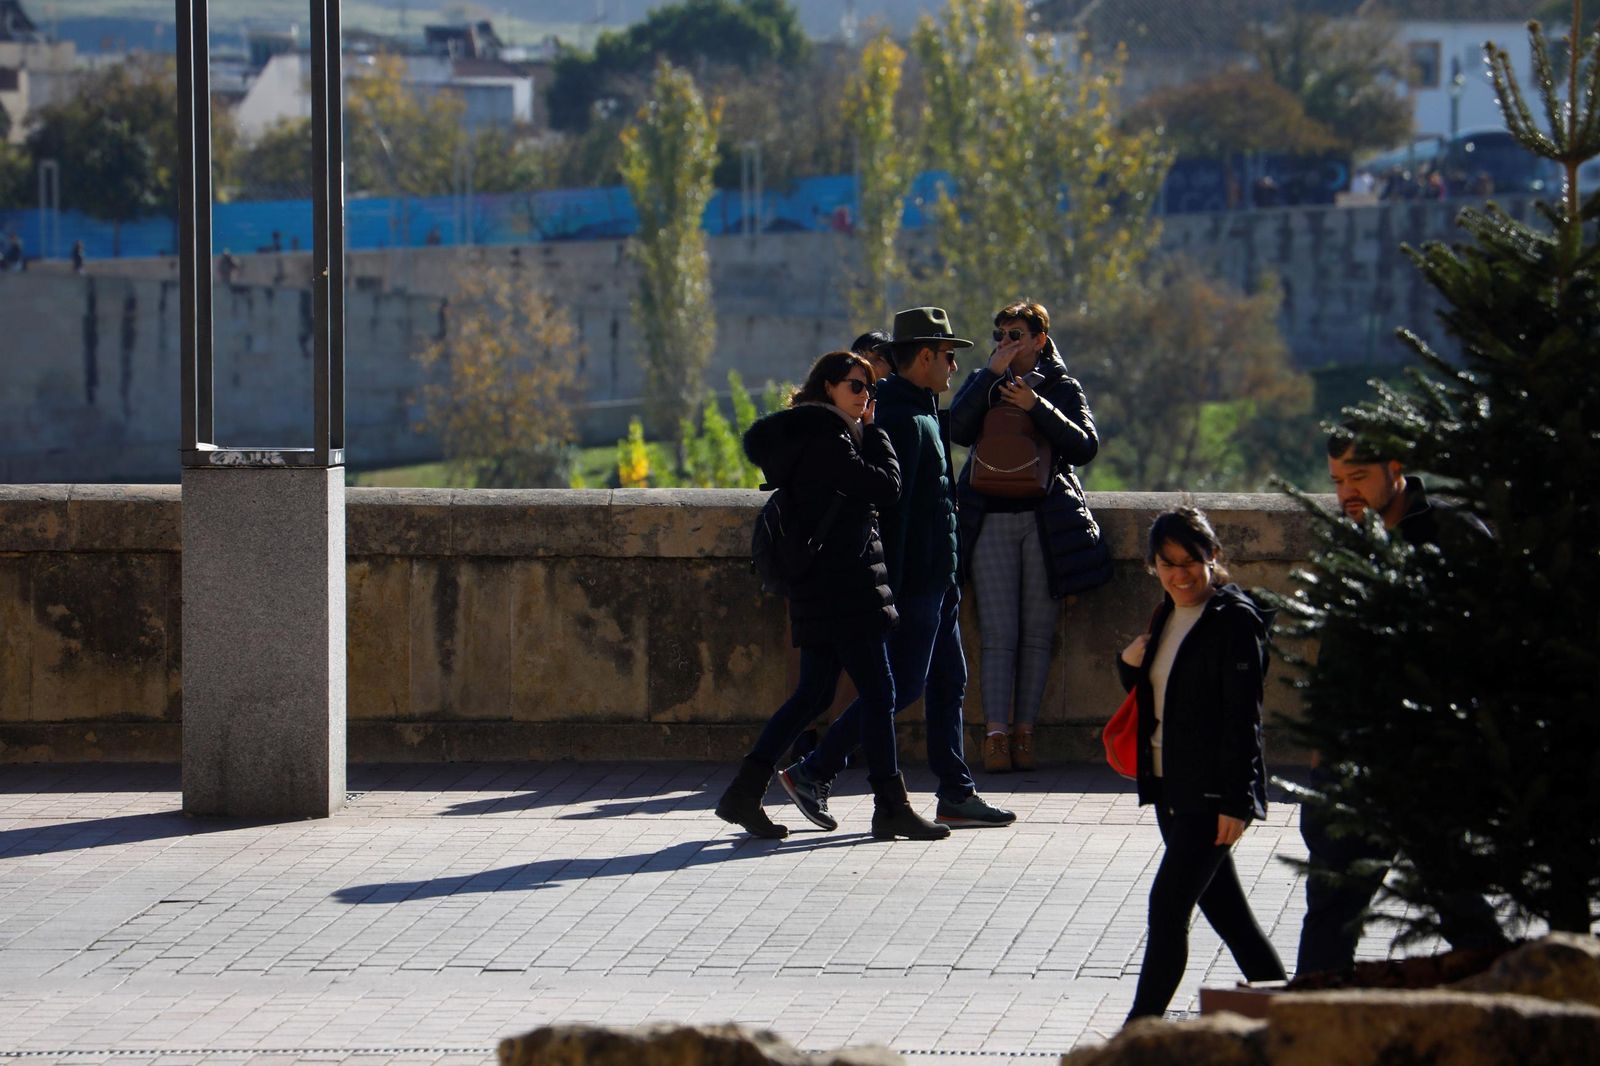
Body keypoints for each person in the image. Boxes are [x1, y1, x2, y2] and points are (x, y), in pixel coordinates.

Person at [780, 307, 1015, 830]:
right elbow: (895, 514)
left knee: (950, 682)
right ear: (925, 356)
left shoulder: (923, 411)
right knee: (903, 686)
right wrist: (898, 591)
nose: (953, 367)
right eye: (949, 356)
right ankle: (815, 770)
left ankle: (955, 790)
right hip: (917, 584)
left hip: (940, 578)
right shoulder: (904, 421)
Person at [1295, 426, 1506, 976]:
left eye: (1358, 477)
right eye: (1338, 481)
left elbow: (1488, 651)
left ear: (1395, 468)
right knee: (1331, 909)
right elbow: (1336, 654)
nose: (1347, 494)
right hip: (1353, 762)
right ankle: (1311, 1032)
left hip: (1425, 762)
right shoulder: (1356, 538)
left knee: (1459, 903)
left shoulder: (1453, 536)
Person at [715, 350, 949, 842]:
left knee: (815, 693)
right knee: (880, 691)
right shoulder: (827, 437)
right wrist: (878, 433)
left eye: (871, 389)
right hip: (843, 586)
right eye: (857, 386)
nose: (867, 397)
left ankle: (743, 791)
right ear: (828, 388)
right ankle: (890, 805)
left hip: (824, 585)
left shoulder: (815, 435)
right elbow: (887, 487)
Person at [1119, 507, 1286, 1022]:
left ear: (1214, 557)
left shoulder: (1235, 620)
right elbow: (1155, 697)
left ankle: (1136, 1035)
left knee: (1167, 909)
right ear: (1152, 566)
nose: (1180, 574)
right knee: (1231, 917)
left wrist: (1237, 800)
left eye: (1190, 561)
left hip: (1211, 795)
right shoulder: (1166, 613)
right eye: (1166, 564)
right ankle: (1289, 1017)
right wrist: (1126, 664)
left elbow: (1244, 718)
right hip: (1170, 787)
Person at [948, 300, 1105, 772]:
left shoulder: (1061, 386)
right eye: (1000, 335)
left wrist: (1037, 407)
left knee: (1036, 635)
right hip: (991, 517)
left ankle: (1025, 734)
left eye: (1016, 334)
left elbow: (1084, 446)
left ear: (1039, 339)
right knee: (998, 635)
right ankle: (995, 735)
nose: (1006, 343)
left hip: (1044, 521)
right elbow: (956, 429)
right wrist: (987, 377)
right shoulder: (986, 383)